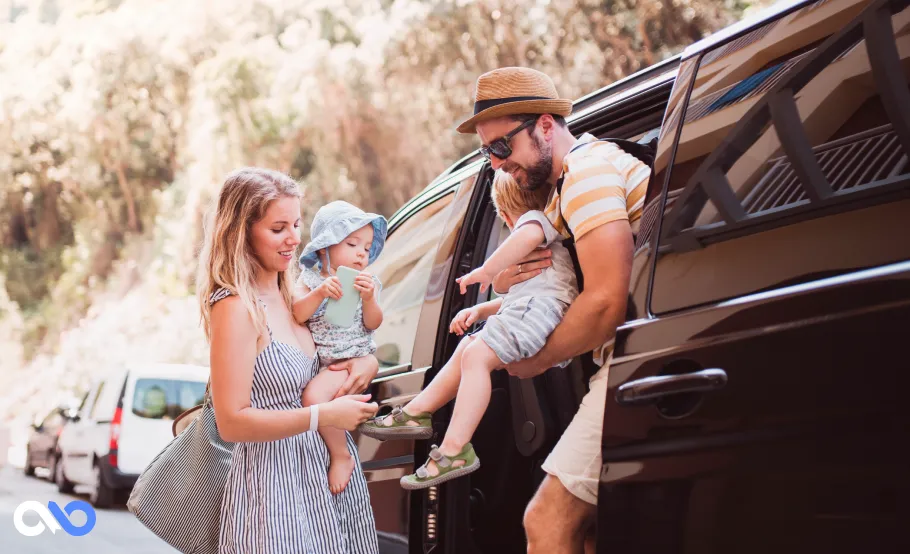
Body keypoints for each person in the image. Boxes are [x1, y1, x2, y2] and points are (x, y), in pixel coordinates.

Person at [460, 67, 653, 553]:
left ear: (546, 126)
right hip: (643, 360)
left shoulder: (585, 173)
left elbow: (607, 300)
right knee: (588, 534)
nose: (497, 164)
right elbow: (526, 267)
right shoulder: (570, 188)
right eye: (487, 154)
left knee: (546, 522)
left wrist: (537, 360)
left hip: (637, 364)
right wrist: (503, 277)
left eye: (501, 147)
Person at [197, 167, 380, 553]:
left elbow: (345, 344)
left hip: (322, 478)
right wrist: (323, 417)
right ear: (242, 231)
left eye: (296, 224)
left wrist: (366, 364)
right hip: (272, 489)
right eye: (278, 228)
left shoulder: (296, 296)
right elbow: (232, 422)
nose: (294, 239)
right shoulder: (234, 307)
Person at [360, 170, 579, 492]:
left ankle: (454, 449)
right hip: (535, 310)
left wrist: (487, 271)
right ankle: (417, 411)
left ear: (504, 215)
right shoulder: (540, 250)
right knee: (469, 346)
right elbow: (526, 300)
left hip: (541, 311)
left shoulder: (536, 223)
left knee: (477, 355)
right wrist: (481, 309)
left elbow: (528, 248)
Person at [293, 200, 387, 495]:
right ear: (325, 248)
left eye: (366, 246)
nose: (361, 252)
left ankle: (340, 454)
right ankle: (337, 448)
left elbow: (373, 324)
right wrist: (321, 292)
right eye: (352, 243)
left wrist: (369, 299)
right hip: (325, 362)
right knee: (316, 397)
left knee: (313, 397)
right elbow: (298, 313)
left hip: (351, 358)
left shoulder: (366, 282)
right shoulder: (309, 280)